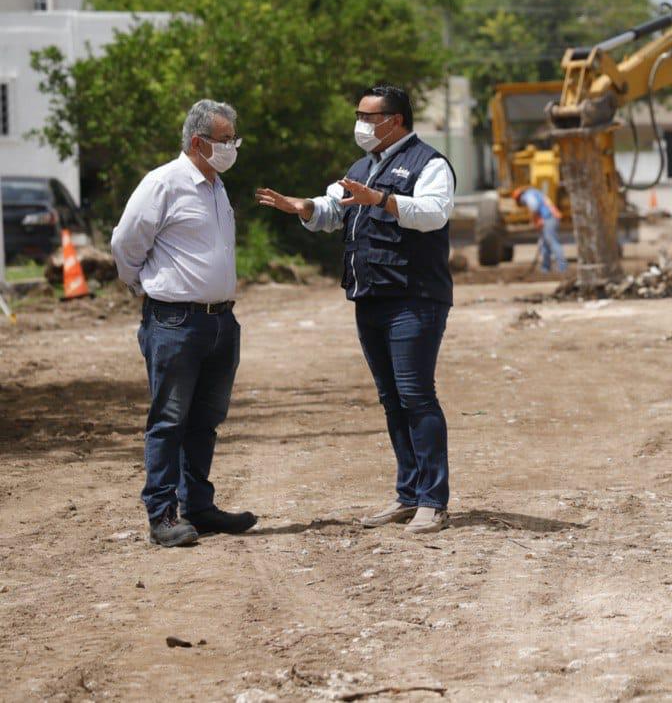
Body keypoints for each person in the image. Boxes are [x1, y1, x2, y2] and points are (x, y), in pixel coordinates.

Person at [255, 84, 455, 535]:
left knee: (416, 395)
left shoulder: (431, 164)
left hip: (414, 298)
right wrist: (302, 207)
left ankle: (433, 501)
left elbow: (434, 213)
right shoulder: (361, 167)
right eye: (359, 116)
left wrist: (381, 200)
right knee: (391, 399)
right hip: (370, 298)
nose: (361, 125)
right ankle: (408, 494)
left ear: (396, 120)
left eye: (370, 117)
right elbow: (332, 210)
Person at [111, 99, 257, 548]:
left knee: (205, 420)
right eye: (225, 140)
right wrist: (147, 288)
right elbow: (125, 244)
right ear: (198, 142)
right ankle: (162, 513)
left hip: (220, 323)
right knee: (169, 420)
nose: (232, 147)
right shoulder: (164, 183)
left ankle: (197, 506)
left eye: (234, 139)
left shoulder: (215, 186)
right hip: (175, 321)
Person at [513, 185, 566, 273]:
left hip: (548, 218)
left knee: (552, 242)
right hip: (549, 218)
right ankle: (545, 268)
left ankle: (562, 267)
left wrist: (536, 220)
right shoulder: (535, 193)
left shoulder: (528, 196)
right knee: (544, 244)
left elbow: (534, 206)